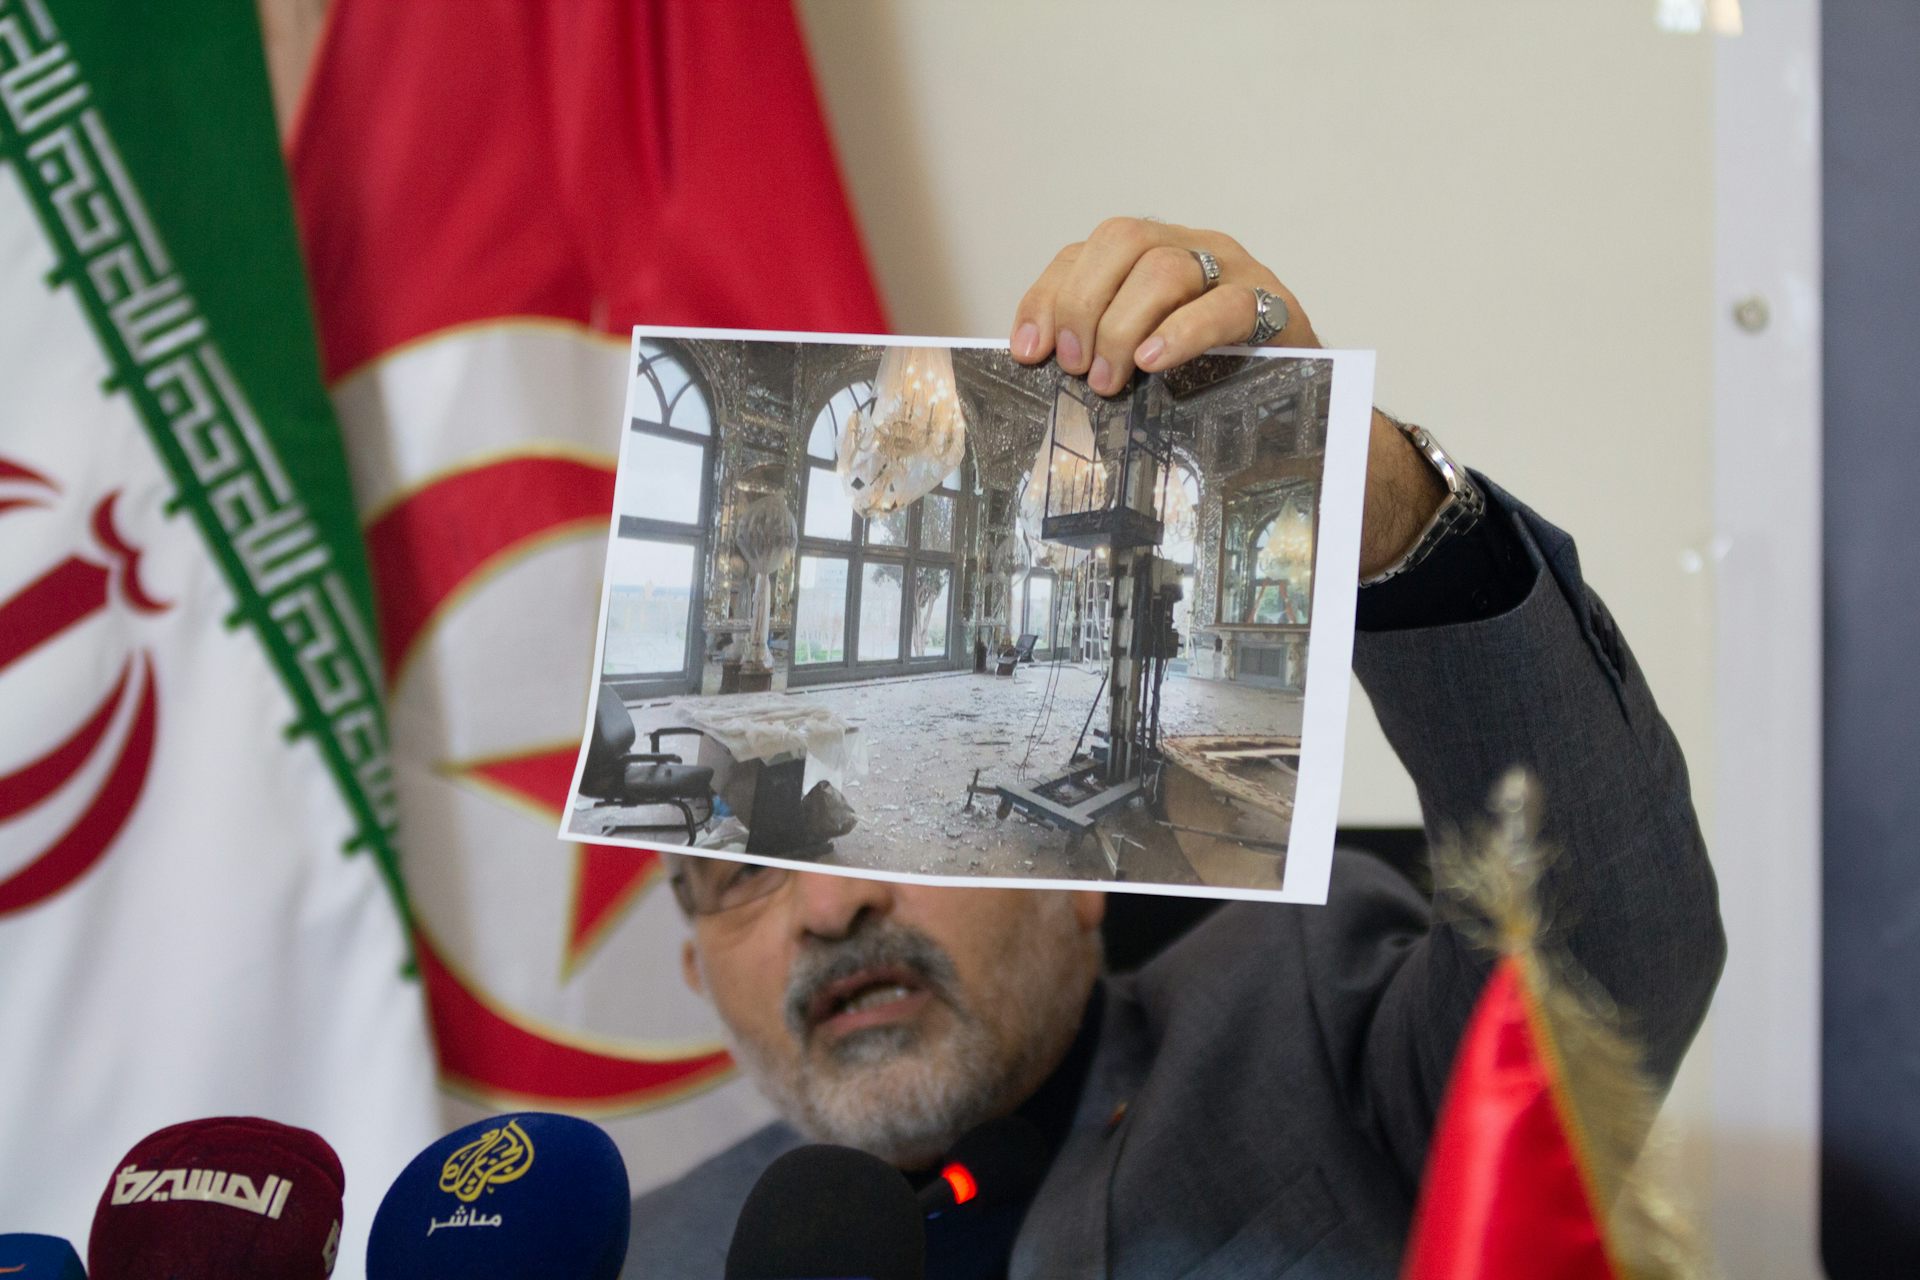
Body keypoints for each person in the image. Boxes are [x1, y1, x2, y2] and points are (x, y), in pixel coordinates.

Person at [621, 218, 1725, 1279]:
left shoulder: (1302, 1035)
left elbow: (1610, 958)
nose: (829, 907)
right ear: (691, 973)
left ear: (1085, 891)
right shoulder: (640, 1250)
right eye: (743, 870)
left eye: (873, 827)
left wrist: (1371, 502)